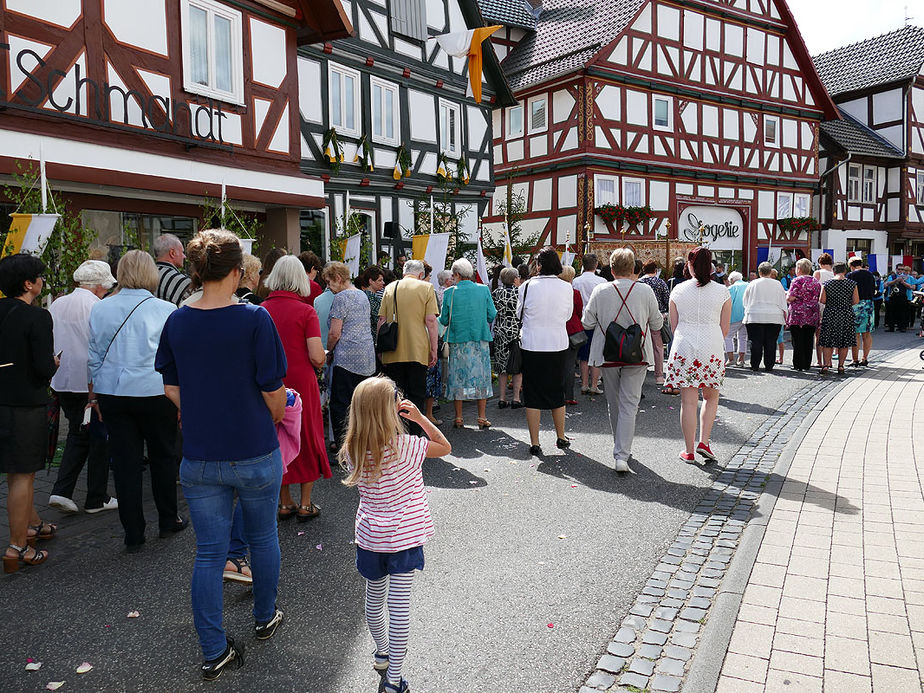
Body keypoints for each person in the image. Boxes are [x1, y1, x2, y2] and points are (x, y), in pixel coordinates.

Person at [154, 230, 288, 679]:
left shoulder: (177, 320)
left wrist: (198, 410)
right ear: (236, 272)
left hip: (201, 453)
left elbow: (171, 387)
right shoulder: (254, 319)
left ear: (195, 270)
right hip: (253, 447)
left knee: (209, 554)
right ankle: (265, 617)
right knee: (263, 536)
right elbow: (273, 389)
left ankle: (214, 649)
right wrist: (268, 416)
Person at [339, 377, 451, 693]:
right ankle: (393, 682)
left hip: (371, 540)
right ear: (390, 412)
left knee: (374, 601)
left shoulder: (352, 450)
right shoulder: (408, 447)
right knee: (399, 609)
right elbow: (444, 446)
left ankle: (382, 652)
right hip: (404, 539)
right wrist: (419, 417)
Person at [88, 250, 183, 552]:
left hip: (113, 392)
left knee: (125, 463)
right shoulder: (166, 309)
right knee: (163, 456)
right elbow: (176, 359)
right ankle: (168, 519)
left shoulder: (101, 308)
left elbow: (93, 357)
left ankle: (133, 532)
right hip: (156, 391)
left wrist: (94, 398)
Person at [0, 254, 58, 573]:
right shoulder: (38, 317)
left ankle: (32, 525)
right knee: (22, 475)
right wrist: (55, 364)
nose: (41, 281)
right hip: (25, 405)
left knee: (13, 473)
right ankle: (18, 546)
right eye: (39, 276)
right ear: (28, 284)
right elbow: (43, 367)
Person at [262, 255, 331, 519]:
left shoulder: (261, 309)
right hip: (302, 380)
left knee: (278, 437)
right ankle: (305, 503)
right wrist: (325, 356)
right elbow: (316, 356)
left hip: (272, 382)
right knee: (307, 435)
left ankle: (284, 501)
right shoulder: (306, 311)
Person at [581, 249, 662, 473]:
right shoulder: (645, 290)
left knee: (614, 402)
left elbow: (587, 323)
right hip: (637, 354)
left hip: (608, 353)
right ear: (633, 268)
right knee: (630, 403)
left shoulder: (601, 290)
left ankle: (620, 449)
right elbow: (656, 324)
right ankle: (622, 453)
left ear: (612, 268)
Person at [47, 260, 118, 515]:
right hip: (89, 383)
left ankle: (63, 490)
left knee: (80, 434)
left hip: (62, 379)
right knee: (97, 438)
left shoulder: (58, 303)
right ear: (100, 285)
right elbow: (100, 347)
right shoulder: (97, 306)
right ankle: (94, 497)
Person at [663, 247, 731, 463]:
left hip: (685, 345)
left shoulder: (678, 290)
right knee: (711, 398)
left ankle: (689, 450)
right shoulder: (722, 292)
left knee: (688, 402)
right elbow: (725, 328)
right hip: (711, 345)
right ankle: (705, 441)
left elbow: (673, 326)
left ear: (689, 265)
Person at [518, 246, 574, 456]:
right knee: (556, 390)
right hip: (557, 343)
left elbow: (519, 312)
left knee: (532, 392)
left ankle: (535, 442)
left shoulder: (527, 286)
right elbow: (568, 315)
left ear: (539, 265)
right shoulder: (566, 287)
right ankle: (560, 436)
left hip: (532, 343)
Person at [378, 260, 439, 435]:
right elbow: (431, 320)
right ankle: (414, 436)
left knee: (396, 395)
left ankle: (398, 434)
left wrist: (380, 348)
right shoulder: (426, 288)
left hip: (392, 349)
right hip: (417, 349)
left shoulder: (390, 288)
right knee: (416, 394)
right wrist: (434, 349)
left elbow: (382, 321)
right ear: (421, 274)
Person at [438, 258, 497, 429]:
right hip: (479, 340)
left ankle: (458, 417)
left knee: (458, 378)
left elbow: (443, 319)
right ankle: (481, 417)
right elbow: (491, 315)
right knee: (481, 377)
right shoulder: (483, 290)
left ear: (456, 274)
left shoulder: (450, 293)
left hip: (457, 341)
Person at [323, 261, 377, 447]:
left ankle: (343, 447)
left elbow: (335, 333)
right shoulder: (362, 295)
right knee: (363, 405)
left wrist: (329, 351)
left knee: (341, 405)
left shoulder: (341, 298)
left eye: (329, 283)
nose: (329, 288)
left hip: (346, 358)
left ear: (338, 278)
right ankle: (364, 445)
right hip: (366, 356)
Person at [742, 262, 787, 371]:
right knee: (771, 342)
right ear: (770, 271)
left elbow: (745, 300)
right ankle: (769, 365)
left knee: (756, 341)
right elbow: (782, 301)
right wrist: (785, 316)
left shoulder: (753, 284)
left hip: (755, 315)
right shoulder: (777, 284)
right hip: (774, 316)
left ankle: (755, 365)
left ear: (759, 272)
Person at [572, 254, 607, 395]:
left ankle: (584, 383)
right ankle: (594, 384)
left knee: (584, 355)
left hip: (582, 320)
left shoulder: (576, 281)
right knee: (597, 353)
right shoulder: (602, 281)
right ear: (596, 264)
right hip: (597, 320)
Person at [818, 263, 859, 375]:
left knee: (828, 341)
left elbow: (822, 300)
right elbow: (856, 301)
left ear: (834, 272)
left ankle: (826, 365)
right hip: (846, 313)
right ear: (844, 271)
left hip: (830, 313)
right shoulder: (852, 284)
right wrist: (844, 304)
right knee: (844, 341)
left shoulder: (827, 284)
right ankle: (841, 366)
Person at [492, 267, 522, 408]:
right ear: (515, 279)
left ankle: (502, 398)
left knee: (501, 366)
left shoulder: (496, 293)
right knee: (517, 366)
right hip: (516, 331)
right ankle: (516, 398)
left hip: (500, 331)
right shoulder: (520, 292)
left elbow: (492, 312)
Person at [785, 258, 821, 371]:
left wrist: (787, 296)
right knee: (808, 339)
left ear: (799, 268)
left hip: (798, 315)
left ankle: (798, 364)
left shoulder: (797, 281)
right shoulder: (815, 281)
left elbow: (790, 297)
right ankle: (806, 363)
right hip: (812, 313)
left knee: (797, 339)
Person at [638, 261, 669, 387]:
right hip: (658, 316)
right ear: (655, 270)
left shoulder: (639, 283)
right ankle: (659, 375)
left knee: (640, 345)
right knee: (658, 347)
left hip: (642, 317)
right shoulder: (660, 282)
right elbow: (667, 298)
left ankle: (641, 375)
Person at [421, 262, 443, 426]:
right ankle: (428, 414)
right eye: (429, 276)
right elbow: (435, 317)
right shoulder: (430, 291)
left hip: (409, 340)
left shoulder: (398, 289)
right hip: (427, 337)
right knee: (431, 376)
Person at [560, 265, 584, 406]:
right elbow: (580, 312)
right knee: (569, 365)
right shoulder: (575, 292)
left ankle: (556, 393)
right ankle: (568, 395)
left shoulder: (556, 292)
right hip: (573, 330)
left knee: (557, 363)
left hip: (558, 329)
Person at [847, 257, 875, 367]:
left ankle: (855, 359)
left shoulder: (851, 275)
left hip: (855, 305)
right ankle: (865, 358)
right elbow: (873, 290)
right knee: (866, 333)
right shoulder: (870, 275)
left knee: (855, 333)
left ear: (851, 265)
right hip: (868, 304)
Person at [153, 233, 192, 306]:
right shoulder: (182, 282)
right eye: (182, 252)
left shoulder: (144, 278)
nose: (184, 256)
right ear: (172, 253)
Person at [813, 253, 835, 366]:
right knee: (830, 335)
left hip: (820, 305)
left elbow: (814, 289)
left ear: (820, 263)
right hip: (833, 306)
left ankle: (819, 361)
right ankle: (829, 360)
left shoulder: (818, 273)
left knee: (819, 335)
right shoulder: (834, 274)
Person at [724, 271, 749, 368]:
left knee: (728, 336)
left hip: (734, 316)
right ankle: (741, 359)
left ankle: (730, 359)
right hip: (746, 314)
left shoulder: (732, 288)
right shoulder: (748, 285)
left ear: (732, 280)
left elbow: (728, 303)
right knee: (743, 337)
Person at [358, 266, 386, 345]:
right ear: (371, 281)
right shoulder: (372, 298)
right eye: (380, 280)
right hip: (372, 339)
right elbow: (378, 320)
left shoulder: (361, 295)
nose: (383, 283)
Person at [885, 265, 912, 332]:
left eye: (902, 269)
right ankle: (891, 327)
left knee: (902, 312)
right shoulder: (892, 276)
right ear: (896, 269)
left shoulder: (907, 277)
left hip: (902, 296)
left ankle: (902, 327)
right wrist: (896, 280)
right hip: (893, 295)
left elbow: (910, 286)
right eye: (899, 269)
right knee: (892, 312)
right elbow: (888, 284)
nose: (900, 271)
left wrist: (903, 282)